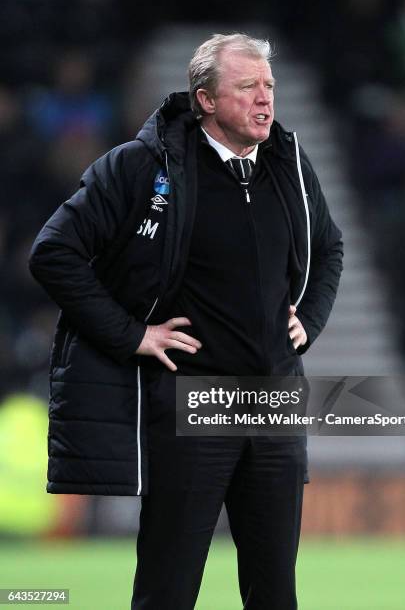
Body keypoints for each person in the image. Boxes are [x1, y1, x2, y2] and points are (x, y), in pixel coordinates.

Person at [29, 33, 343, 610]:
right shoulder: (139, 166)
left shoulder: (291, 167)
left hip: (276, 403)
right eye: (246, 87)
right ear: (205, 99)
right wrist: (133, 335)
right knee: (168, 592)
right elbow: (53, 253)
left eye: (269, 86)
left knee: (276, 593)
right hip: (190, 403)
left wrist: (312, 318)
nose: (264, 99)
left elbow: (329, 248)